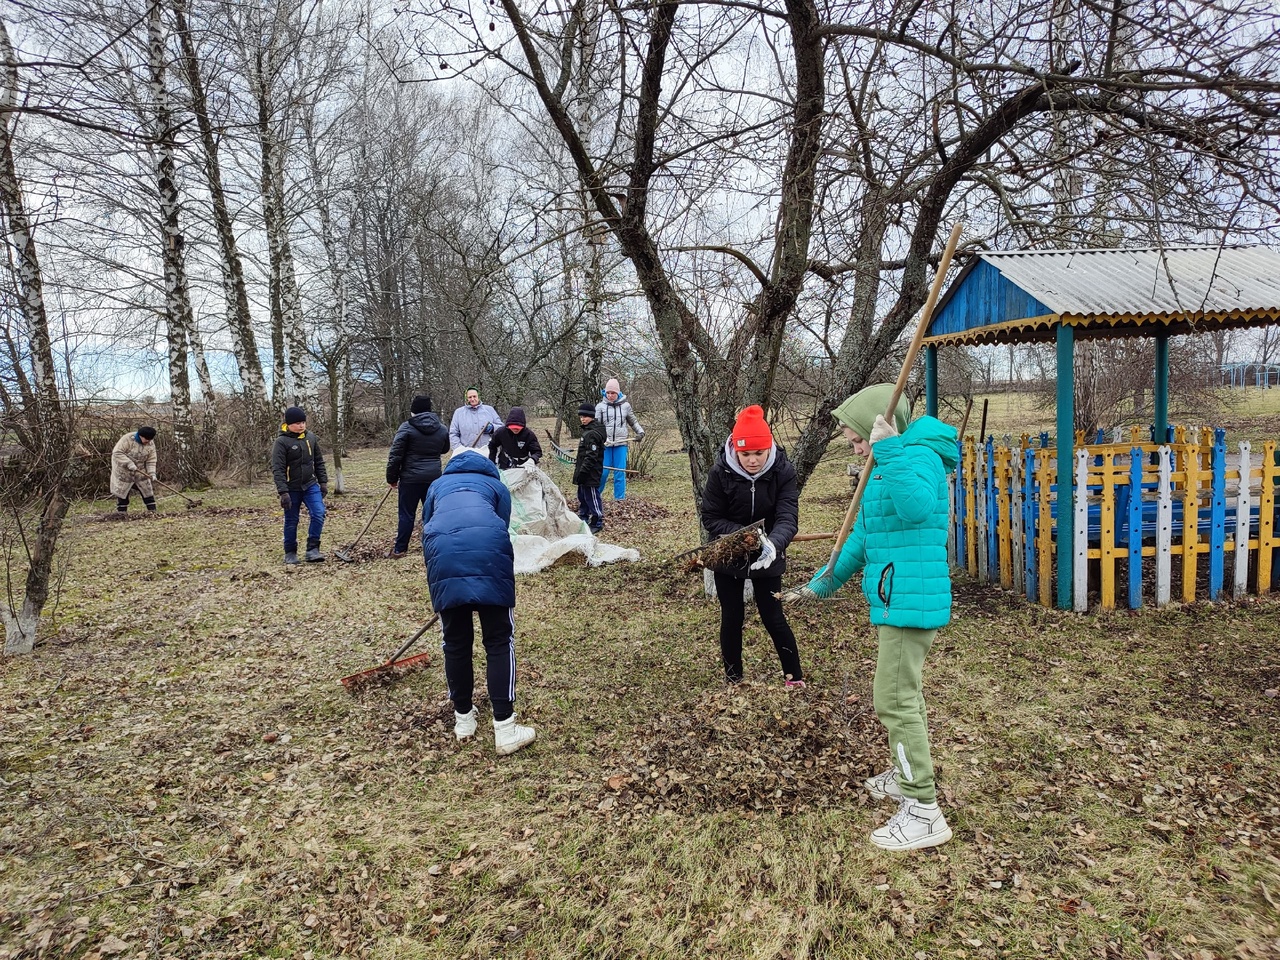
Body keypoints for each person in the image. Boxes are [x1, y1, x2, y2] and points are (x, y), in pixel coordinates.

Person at [797, 384, 958, 852]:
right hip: (896, 597)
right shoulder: (888, 468)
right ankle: (905, 771)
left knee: (893, 700)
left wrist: (888, 450)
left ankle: (923, 810)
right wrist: (822, 583)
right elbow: (864, 539)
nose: (856, 448)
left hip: (911, 601)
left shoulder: (914, 459)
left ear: (879, 426)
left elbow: (918, 508)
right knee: (903, 694)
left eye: (857, 439)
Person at [422, 449, 536, 756]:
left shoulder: (436, 486)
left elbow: (427, 525)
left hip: (443, 561)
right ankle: (506, 728)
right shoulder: (496, 485)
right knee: (499, 640)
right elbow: (503, 524)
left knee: (455, 642)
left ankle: (464, 722)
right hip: (489, 558)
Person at [700, 405, 804, 688]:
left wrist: (772, 543)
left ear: (768, 447)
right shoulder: (720, 471)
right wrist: (744, 536)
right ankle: (734, 679)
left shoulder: (783, 471)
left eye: (759, 453)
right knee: (732, 616)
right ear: (736, 449)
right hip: (727, 552)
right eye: (746, 454)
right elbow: (710, 517)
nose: (753, 460)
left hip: (769, 554)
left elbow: (787, 516)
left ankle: (794, 678)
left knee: (773, 616)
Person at [386, 394, 450, 559]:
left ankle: (400, 549)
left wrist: (391, 478)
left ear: (414, 411)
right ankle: (436, 545)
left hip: (410, 479)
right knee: (433, 513)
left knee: (407, 514)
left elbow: (395, 455)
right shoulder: (442, 428)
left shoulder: (406, 427)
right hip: (434, 478)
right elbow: (444, 449)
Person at [271, 406, 329, 565]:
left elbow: (318, 461)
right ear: (288, 424)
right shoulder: (281, 442)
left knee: (319, 513)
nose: (301, 425)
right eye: (297, 423)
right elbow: (278, 469)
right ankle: (290, 552)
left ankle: (313, 549)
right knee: (292, 520)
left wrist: (323, 482)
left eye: (303, 422)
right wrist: (283, 492)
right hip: (291, 489)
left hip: (310, 485)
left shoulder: (311, 437)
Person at [595, 377, 645, 501]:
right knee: (603, 472)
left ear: (618, 393)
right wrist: (598, 439)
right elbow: (595, 426)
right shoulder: (600, 407)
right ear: (605, 393)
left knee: (619, 473)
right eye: (608, 393)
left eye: (613, 393)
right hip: (605, 445)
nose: (611, 395)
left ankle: (620, 500)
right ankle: (595, 497)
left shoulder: (625, 406)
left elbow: (633, 422)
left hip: (621, 444)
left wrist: (640, 432)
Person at [572, 401, 606, 533]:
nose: (583, 419)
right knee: (582, 495)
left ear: (591, 416)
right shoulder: (586, 431)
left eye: (585, 417)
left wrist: (584, 471)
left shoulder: (592, 433)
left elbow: (591, 456)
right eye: (581, 417)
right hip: (583, 471)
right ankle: (583, 517)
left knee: (592, 496)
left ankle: (597, 521)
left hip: (590, 472)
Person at [110, 426, 159, 513]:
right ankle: (121, 513)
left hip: (140, 471)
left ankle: (152, 512)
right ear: (141, 436)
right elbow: (117, 453)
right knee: (123, 493)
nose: (148, 441)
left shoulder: (150, 443)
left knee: (147, 490)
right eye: (146, 439)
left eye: (150, 440)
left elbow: (151, 460)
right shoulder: (127, 439)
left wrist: (152, 473)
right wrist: (128, 463)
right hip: (123, 471)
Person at [448, 388, 504, 453]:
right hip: (467, 454)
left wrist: (492, 428)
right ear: (466, 398)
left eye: (474, 396)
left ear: (478, 397)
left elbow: (501, 428)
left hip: (487, 453)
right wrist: (460, 450)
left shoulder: (489, 410)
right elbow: (453, 433)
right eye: (469, 397)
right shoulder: (459, 413)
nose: (472, 399)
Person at [488, 406, 543, 471]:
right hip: (504, 464)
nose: (515, 430)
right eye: (513, 427)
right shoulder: (501, 432)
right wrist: (492, 462)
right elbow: (492, 445)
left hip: (523, 465)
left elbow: (537, 452)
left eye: (518, 428)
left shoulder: (529, 435)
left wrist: (532, 460)